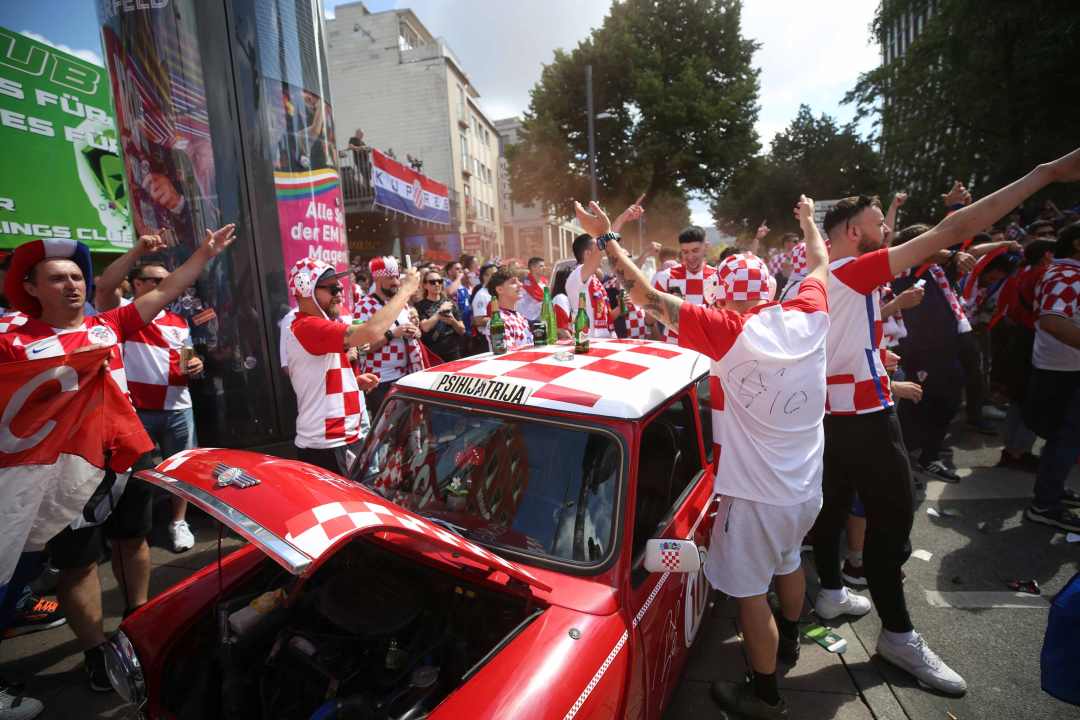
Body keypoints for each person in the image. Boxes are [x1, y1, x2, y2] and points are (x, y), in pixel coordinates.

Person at [812, 147, 1080, 695]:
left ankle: (831, 592)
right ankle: (898, 636)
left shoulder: (823, 276)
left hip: (833, 417)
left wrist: (872, 356)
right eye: (878, 222)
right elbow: (956, 226)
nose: (886, 227)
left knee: (835, 504)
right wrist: (1046, 173)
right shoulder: (856, 271)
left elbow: (826, 343)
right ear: (855, 234)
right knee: (894, 518)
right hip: (862, 418)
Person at [578, 195, 830, 719]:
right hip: (806, 489)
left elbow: (645, 297)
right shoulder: (809, 314)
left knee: (749, 594)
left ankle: (765, 696)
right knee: (789, 561)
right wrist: (807, 223)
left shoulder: (730, 331)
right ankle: (790, 642)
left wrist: (607, 237)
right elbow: (820, 263)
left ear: (727, 301)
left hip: (755, 498)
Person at [0, 224, 237, 693]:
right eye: (57, 278)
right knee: (80, 566)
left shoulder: (107, 324)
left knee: (133, 541)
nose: (72, 285)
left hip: (128, 459)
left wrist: (205, 254)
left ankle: (135, 625)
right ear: (30, 289)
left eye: (76, 277)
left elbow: (169, 288)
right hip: (62, 475)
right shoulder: (12, 341)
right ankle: (94, 652)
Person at [97, 258, 204, 553]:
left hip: (179, 408)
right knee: (131, 477)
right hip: (136, 412)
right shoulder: (120, 316)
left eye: (166, 280)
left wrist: (196, 362)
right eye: (156, 281)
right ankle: (126, 531)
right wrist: (137, 251)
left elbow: (187, 355)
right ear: (137, 284)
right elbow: (105, 288)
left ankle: (178, 522)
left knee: (180, 470)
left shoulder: (179, 321)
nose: (164, 285)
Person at [285, 258, 413, 475]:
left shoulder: (317, 324)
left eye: (340, 287)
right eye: (332, 287)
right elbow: (371, 332)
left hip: (340, 440)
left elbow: (320, 374)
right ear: (305, 288)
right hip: (328, 444)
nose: (339, 294)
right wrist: (406, 289)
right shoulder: (307, 325)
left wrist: (352, 383)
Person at [1025, 221, 1080, 532]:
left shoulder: (1064, 271)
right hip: (1065, 370)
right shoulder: (1069, 274)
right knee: (1067, 439)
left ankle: (1051, 491)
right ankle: (1046, 503)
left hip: (1062, 367)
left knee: (1065, 438)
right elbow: (1052, 321)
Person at [997, 238, 1056, 471]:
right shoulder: (1046, 275)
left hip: (1022, 339)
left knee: (1019, 399)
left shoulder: (1023, 274)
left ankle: (1011, 447)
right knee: (1032, 400)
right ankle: (1020, 450)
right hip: (1035, 340)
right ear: (1049, 256)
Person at [353, 256, 424, 416]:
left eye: (397, 277)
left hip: (406, 377)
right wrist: (392, 333)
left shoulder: (402, 303)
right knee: (385, 433)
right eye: (390, 278)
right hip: (379, 381)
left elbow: (410, 332)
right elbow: (363, 348)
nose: (396, 282)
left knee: (408, 429)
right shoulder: (363, 306)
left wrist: (416, 333)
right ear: (377, 279)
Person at [957, 252, 1015, 434]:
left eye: (997, 279)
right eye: (991, 277)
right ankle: (973, 416)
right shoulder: (970, 280)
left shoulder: (990, 286)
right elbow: (979, 254)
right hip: (961, 333)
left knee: (979, 374)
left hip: (978, 331)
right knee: (974, 375)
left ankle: (975, 413)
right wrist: (1002, 245)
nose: (992, 282)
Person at [648, 226, 718, 343]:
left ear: (706, 247)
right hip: (673, 343)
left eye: (695, 251)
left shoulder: (717, 276)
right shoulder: (667, 276)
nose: (690, 257)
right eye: (685, 252)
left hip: (707, 344)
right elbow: (650, 318)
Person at [416, 269, 465, 363]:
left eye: (439, 281)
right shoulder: (420, 306)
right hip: (432, 354)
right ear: (425, 285)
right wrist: (440, 311)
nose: (437, 284)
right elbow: (425, 327)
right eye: (432, 282)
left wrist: (453, 321)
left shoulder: (450, 303)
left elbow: (462, 330)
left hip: (452, 352)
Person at [484, 266, 533, 351]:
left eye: (518, 281)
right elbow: (508, 356)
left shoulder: (521, 317)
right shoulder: (498, 322)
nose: (520, 284)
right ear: (499, 290)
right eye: (513, 282)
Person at [442, 260, 472, 356]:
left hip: (467, 328)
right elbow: (450, 293)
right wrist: (459, 278)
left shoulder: (463, 288)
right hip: (454, 329)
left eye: (461, 269)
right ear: (450, 272)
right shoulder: (446, 284)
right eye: (457, 269)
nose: (460, 271)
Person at [469, 262, 497, 355]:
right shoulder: (481, 295)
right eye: (494, 274)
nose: (497, 277)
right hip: (487, 338)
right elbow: (479, 321)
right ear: (485, 277)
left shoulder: (496, 292)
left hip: (498, 335)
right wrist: (501, 319)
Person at [517, 257, 548, 322]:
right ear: (533, 268)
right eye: (541, 266)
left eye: (544, 266)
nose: (545, 268)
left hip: (546, 320)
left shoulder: (545, 284)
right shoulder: (525, 287)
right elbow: (519, 306)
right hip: (533, 323)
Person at [549, 267, 574, 340]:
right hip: (563, 346)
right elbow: (561, 330)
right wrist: (574, 345)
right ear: (567, 281)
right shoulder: (561, 299)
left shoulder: (565, 298)